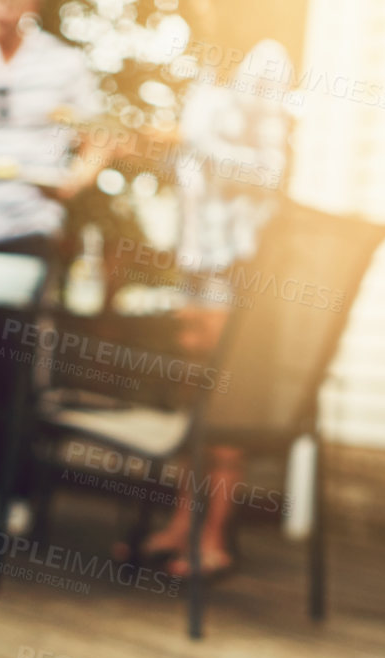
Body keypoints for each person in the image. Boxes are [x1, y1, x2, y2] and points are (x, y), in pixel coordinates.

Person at [131, 0, 292, 579]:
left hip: (232, 267)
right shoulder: (207, 69)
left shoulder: (264, 61)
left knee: (225, 405)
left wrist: (196, 140)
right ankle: (181, 523)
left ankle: (215, 538)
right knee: (194, 401)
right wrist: (166, 147)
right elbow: (195, 168)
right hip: (194, 264)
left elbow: (269, 173)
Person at [0, 0, 107, 536]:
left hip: (28, 225)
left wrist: (75, 179)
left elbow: (100, 134)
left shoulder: (63, 63)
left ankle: (18, 492)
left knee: (15, 362)